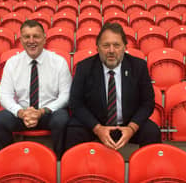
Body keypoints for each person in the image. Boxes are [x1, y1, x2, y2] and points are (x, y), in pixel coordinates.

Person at [65, 22, 161, 151]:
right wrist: (97, 128)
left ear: (124, 47)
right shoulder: (84, 67)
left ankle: (149, 170)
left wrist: (132, 128)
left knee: (152, 132)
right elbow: (76, 103)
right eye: (106, 45)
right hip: (95, 124)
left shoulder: (138, 66)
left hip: (128, 124)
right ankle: (75, 170)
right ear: (97, 47)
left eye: (116, 45)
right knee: (73, 131)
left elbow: (148, 103)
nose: (111, 50)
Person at [0, 20, 72, 159]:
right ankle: (9, 158)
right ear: (21, 39)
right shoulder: (12, 63)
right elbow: (4, 95)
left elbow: (66, 96)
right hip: (23, 114)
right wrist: (20, 112)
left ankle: (59, 160)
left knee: (62, 119)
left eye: (36, 36)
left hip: (48, 113)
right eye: (27, 37)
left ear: (44, 38)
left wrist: (41, 112)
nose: (31, 41)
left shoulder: (59, 62)